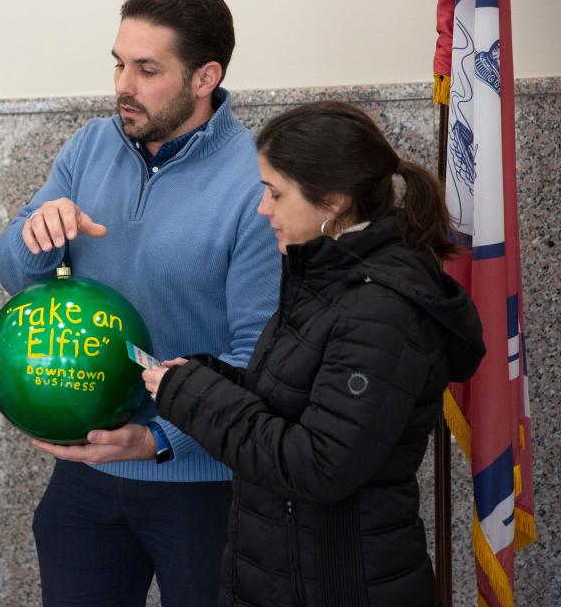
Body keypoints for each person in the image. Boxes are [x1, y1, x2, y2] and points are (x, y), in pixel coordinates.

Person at [0, 0, 279, 606]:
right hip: (88, 477)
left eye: (147, 69)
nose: (123, 84)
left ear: (205, 77)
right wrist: (35, 237)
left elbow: (259, 355)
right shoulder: (90, 146)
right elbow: (19, 279)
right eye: (119, 63)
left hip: (206, 486)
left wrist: (157, 443)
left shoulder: (258, 176)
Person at [143, 101, 485, 607]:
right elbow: (290, 401)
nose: (263, 209)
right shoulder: (322, 274)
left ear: (332, 202)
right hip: (282, 575)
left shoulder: (381, 311)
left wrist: (195, 395)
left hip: (342, 583)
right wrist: (204, 376)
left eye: (275, 193)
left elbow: (318, 464)